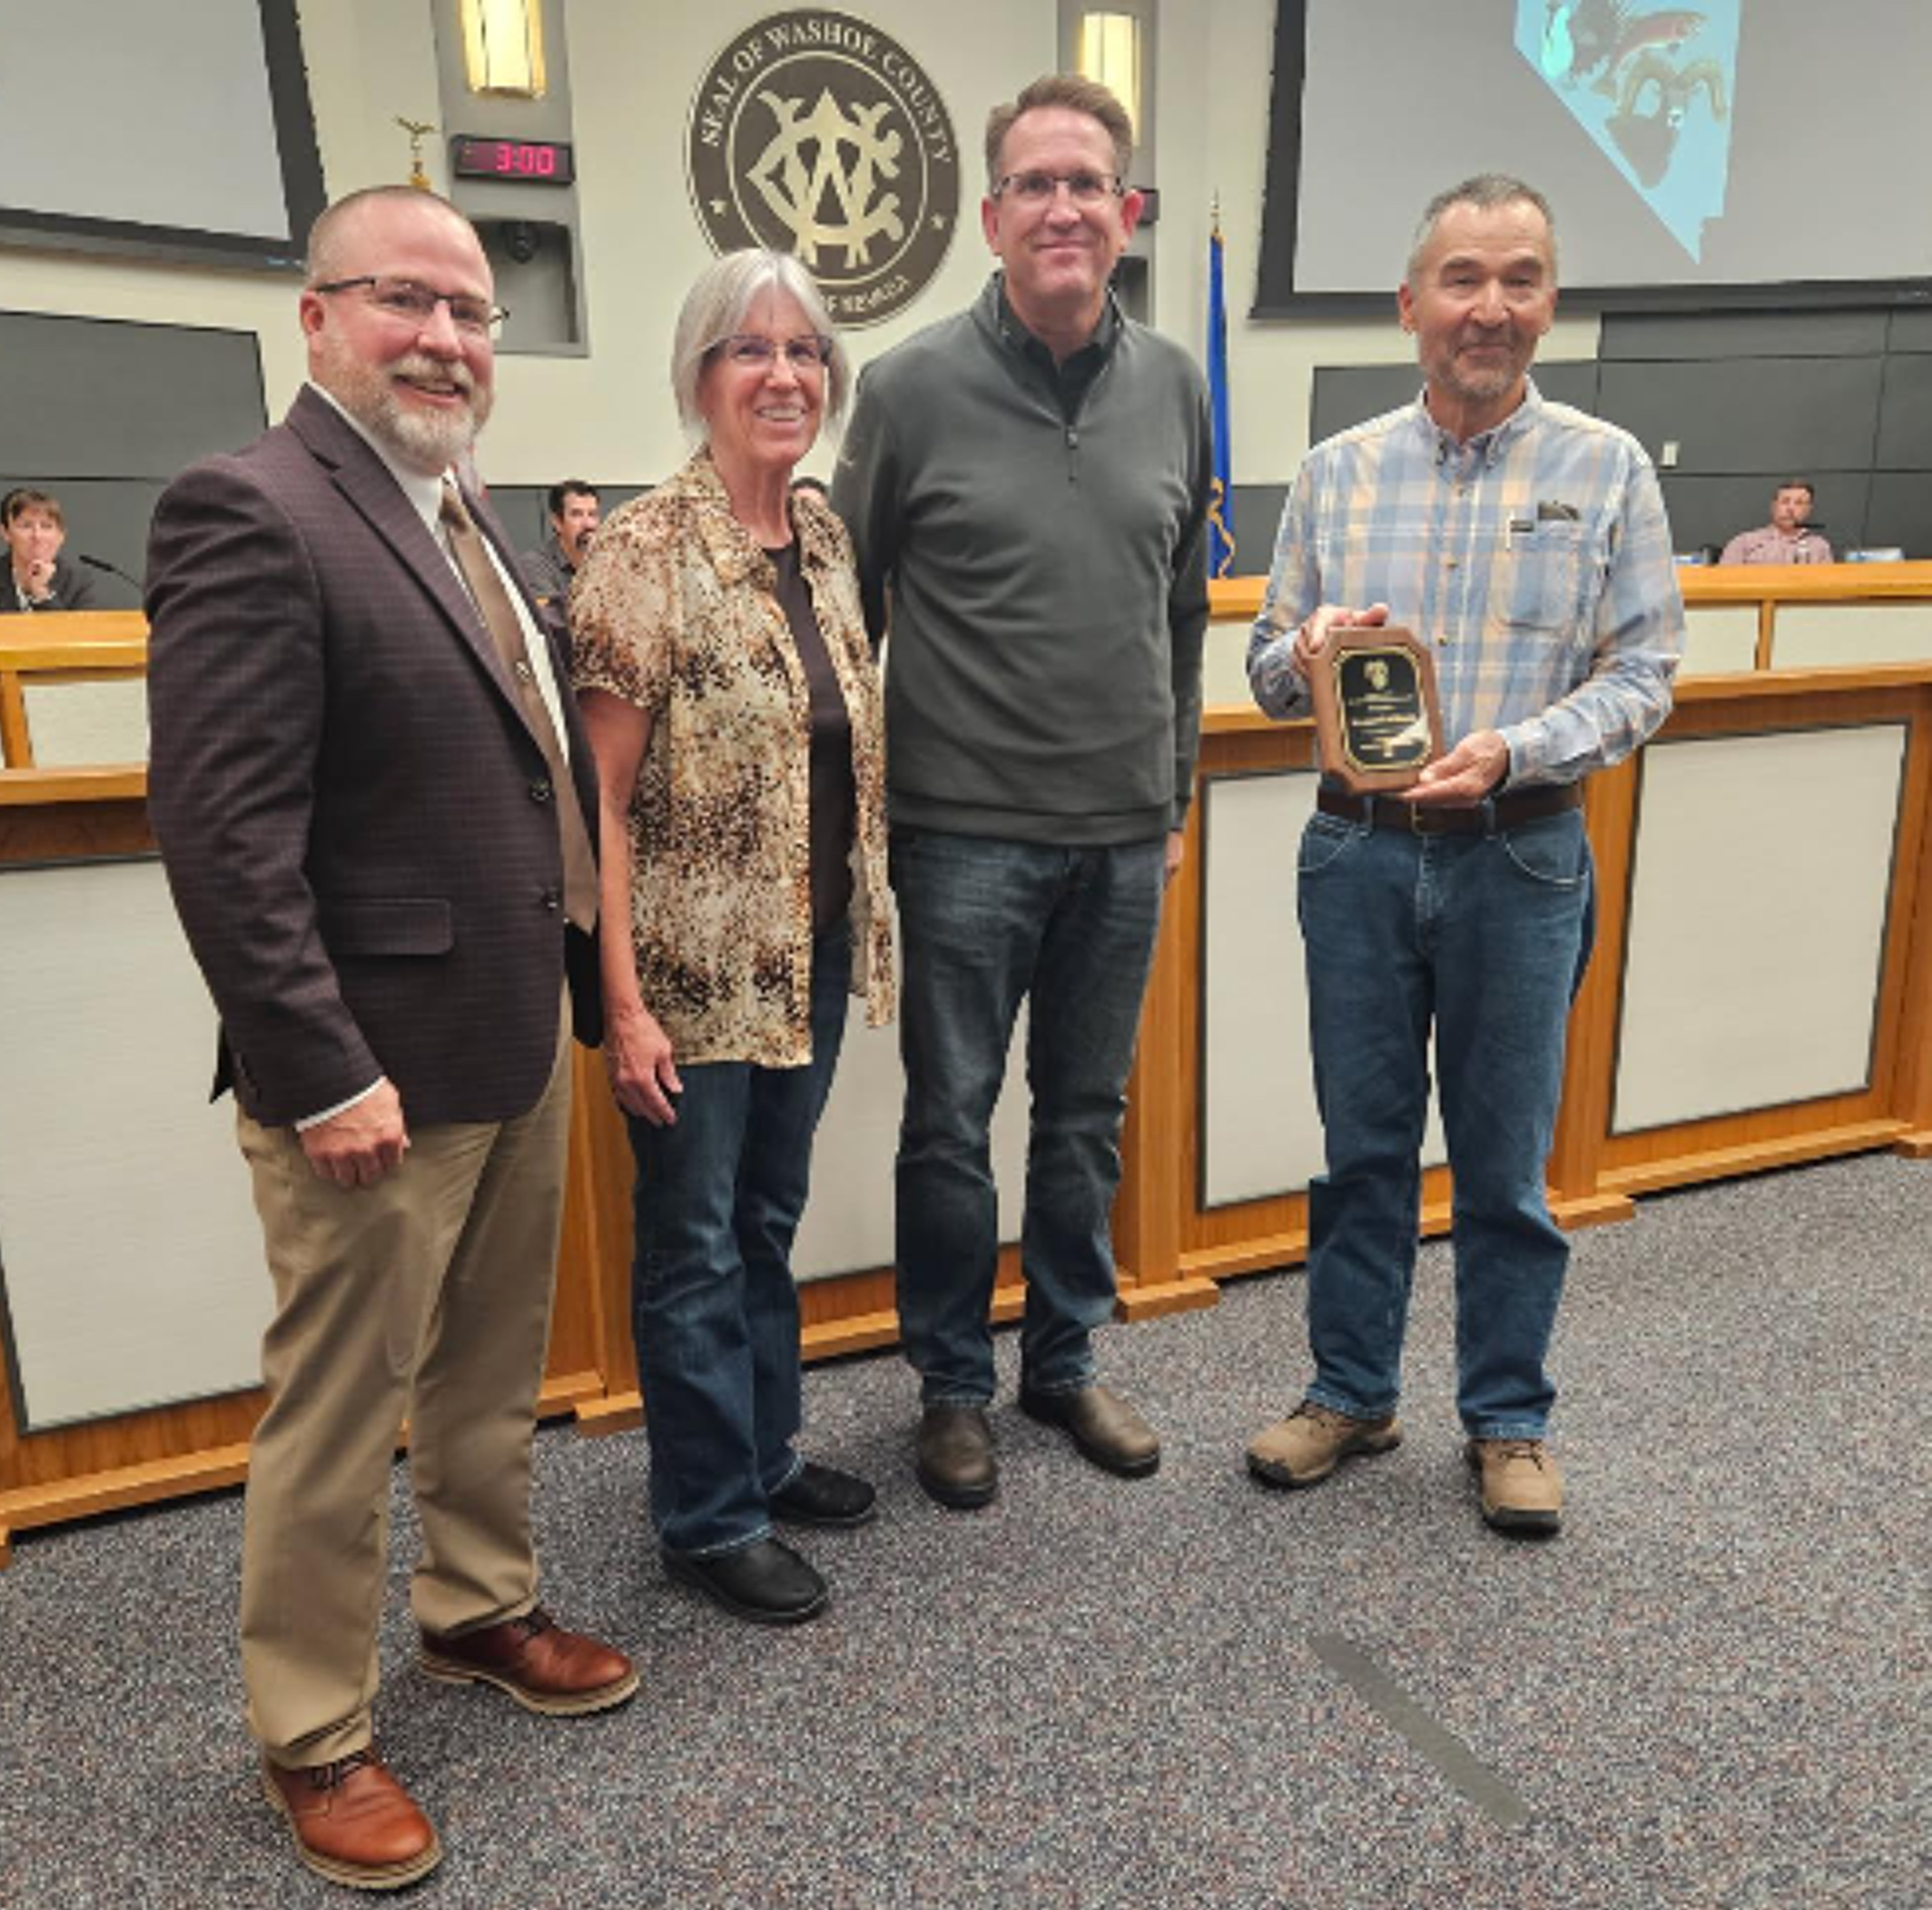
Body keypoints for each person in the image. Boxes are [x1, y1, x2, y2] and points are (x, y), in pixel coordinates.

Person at [144, 184, 637, 1893]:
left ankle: (478, 1610)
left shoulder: (462, 507)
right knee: (343, 1413)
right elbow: (222, 835)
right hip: (365, 1074)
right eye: (401, 301)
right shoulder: (252, 508)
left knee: (489, 1372)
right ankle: (311, 1731)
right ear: (317, 318)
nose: (443, 338)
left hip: (504, 1036)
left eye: (470, 312)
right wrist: (319, 1066)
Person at [1242, 173, 1682, 1538]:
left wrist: (1516, 750)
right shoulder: (1336, 471)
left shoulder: (1608, 468)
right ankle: (1352, 1392)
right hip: (1359, 856)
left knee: (1503, 1167)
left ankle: (1508, 1420)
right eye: (1464, 279)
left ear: (1549, 303)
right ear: (1410, 304)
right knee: (1361, 1151)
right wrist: (1305, 649)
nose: (1490, 307)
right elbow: (1266, 672)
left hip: (1521, 856)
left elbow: (1647, 676)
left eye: (1520, 279)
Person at [831, 75, 1210, 1511]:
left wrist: (1172, 799)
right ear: (990, 219)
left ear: (1128, 212)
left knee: (1085, 1118)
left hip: (1122, 836)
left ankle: (1063, 1359)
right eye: (1035, 184)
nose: (1064, 207)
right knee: (950, 1121)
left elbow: (1181, 613)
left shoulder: (1176, 385)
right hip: (963, 836)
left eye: (1087, 183)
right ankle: (950, 1386)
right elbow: (850, 612)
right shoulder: (909, 388)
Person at [570, 248, 893, 1626]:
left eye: (805, 350)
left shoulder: (821, 538)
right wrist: (622, 1006)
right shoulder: (643, 551)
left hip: (803, 957)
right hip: (688, 976)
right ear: (699, 376)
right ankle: (707, 1517)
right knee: (693, 1243)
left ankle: (763, 1455)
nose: (783, 374)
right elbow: (599, 804)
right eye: (750, 349)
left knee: (763, 1221)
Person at [0, 488, 98, 610]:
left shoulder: (78, 583)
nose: (37, 536)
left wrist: (42, 594)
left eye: (46, 527)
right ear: (5, 533)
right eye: (26, 526)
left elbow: (75, 630)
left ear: (61, 536)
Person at [521, 477, 602, 605]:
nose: (588, 525)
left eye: (592, 514)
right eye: (577, 514)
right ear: (557, 522)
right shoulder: (535, 565)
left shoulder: (607, 561)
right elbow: (553, 615)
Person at [1720, 479, 1833, 565]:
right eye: (1785, 502)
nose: (1790, 508)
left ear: (1808, 510)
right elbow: (1723, 582)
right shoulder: (1743, 543)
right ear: (1774, 506)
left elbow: (1829, 586)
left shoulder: (1820, 547)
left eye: (1799, 503)